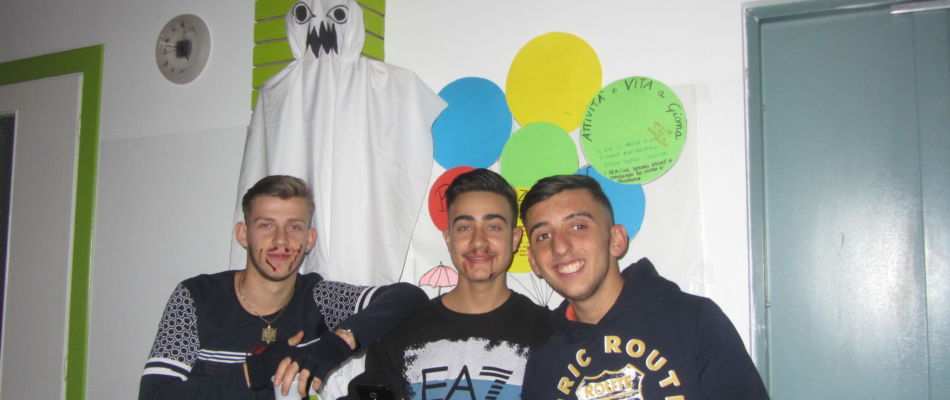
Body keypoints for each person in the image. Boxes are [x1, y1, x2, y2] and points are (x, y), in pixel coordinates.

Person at [139, 175, 427, 399]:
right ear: (243, 234)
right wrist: (254, 372)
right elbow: (155, 396)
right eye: (266, 225)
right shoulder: (197, 297)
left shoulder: (318, 297)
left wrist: (337, 344)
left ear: (309, 239)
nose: (281, 240)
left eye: (294, 227)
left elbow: (408, 298)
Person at [519, 174, 769, 399]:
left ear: (616, 240)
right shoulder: (543, 358)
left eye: (578, 227)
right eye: (543, 236)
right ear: (534, 262)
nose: (560, 247)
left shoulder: (693, 320)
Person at [332, 168, 552, 399]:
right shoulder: (400, 332)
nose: (479, 241)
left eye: (493, 227)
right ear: (448, 239)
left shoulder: (549, 332)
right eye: (465, 227)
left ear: (515, 238)